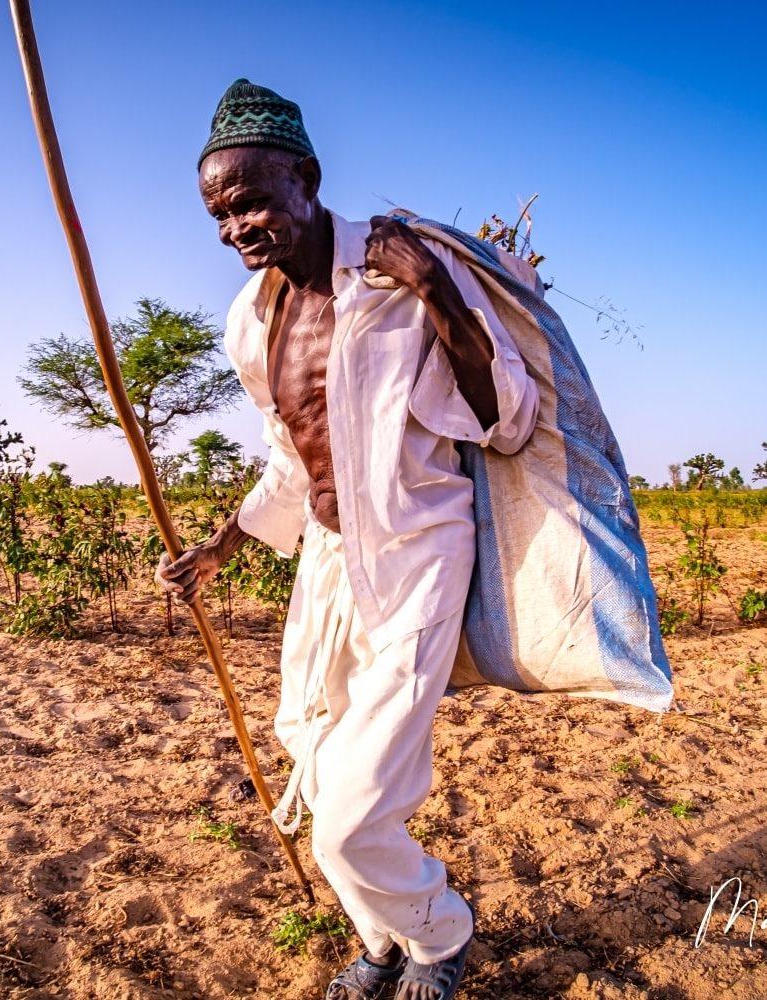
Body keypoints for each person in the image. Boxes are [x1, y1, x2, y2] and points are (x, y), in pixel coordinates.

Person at [158, 79, 539, 1000]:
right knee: (316, 755)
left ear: (307, 178)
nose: (234, 226)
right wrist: (221, 546)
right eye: (218, 210)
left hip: (416, 553)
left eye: (249, 198)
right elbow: (291, 460)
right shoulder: (251, 322)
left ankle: (441, 934)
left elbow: (509, 419)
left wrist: (435, 286)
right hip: (327, 566)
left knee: (352, 812)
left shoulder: (396, 277)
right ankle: (380, 937)